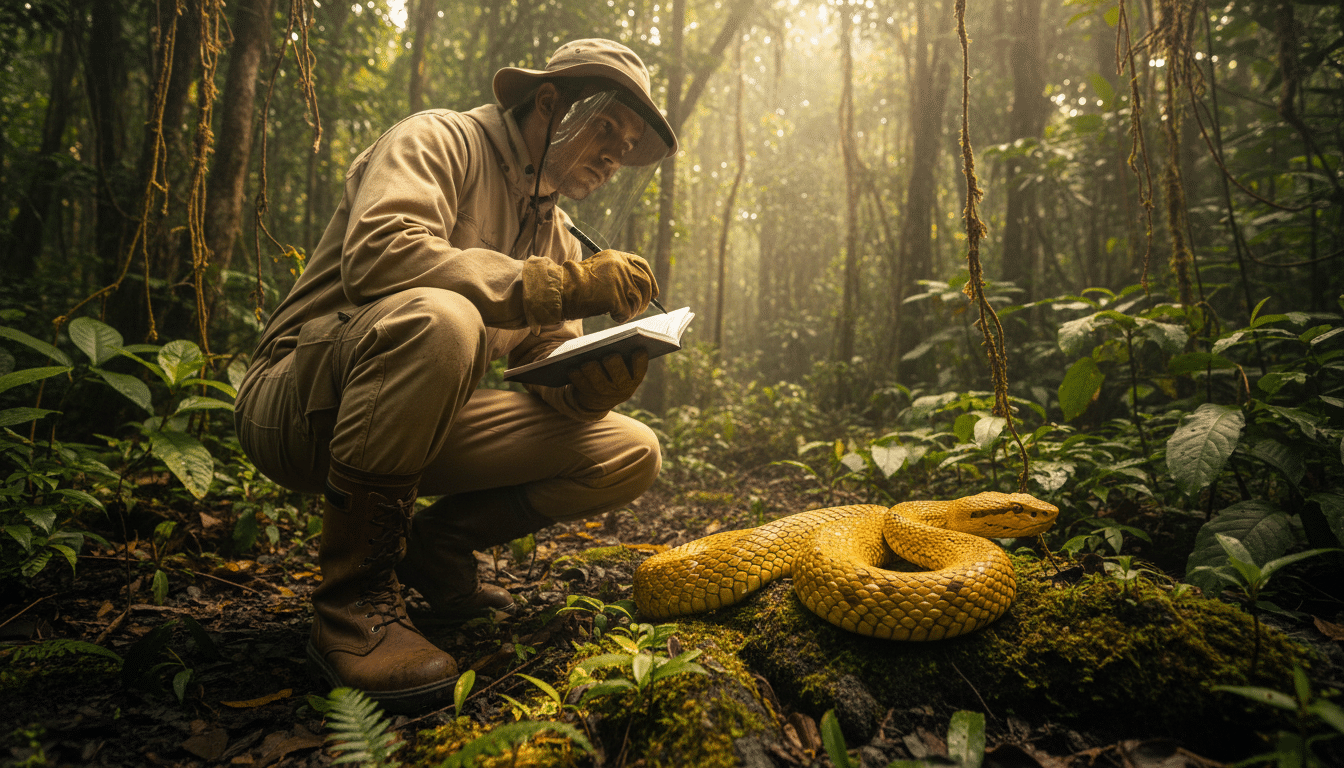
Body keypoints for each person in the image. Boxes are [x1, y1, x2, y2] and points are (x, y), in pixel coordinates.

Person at [233, 39, 678, 713]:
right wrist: (557, 283)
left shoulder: (554, 230)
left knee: (629, 450)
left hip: (409, 420)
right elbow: (381, 254)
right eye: (606, 127)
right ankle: (353, 603)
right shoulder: (440, 140)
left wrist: (590, 387)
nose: (616, 153)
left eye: (629, 141)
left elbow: (542, 361)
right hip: (296, 398)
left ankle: (437, 549)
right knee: (446, 318)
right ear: (551, 104)